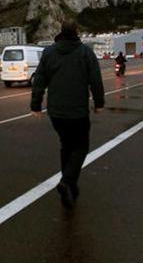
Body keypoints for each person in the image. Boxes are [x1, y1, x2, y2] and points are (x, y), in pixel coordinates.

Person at [30, 21, 105, 209]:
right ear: (77, 32)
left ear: (61, 32)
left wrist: (36, 105)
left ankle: (71, 186)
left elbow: (39, 80)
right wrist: (99, 103)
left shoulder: (49, 53)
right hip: (78, 111)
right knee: (80, 147)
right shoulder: (85, 53)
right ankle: (67, 181)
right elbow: (96, 79)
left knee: (66, 146)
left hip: (56, 112)